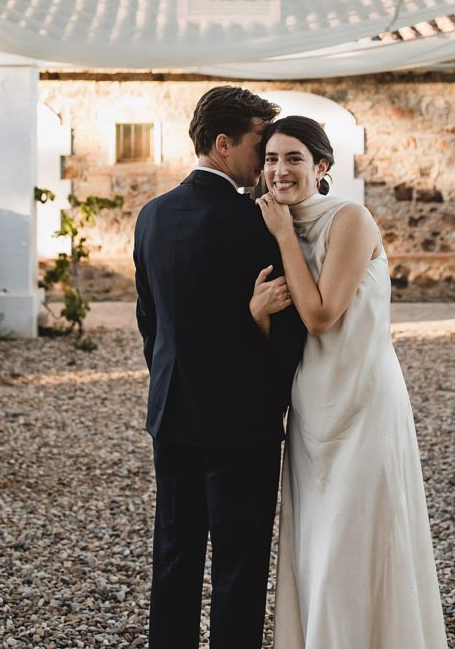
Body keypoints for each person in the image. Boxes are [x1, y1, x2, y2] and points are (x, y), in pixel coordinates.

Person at [256, 116, 448, 649]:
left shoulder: (350, 218)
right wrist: (256, 311)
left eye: (293, 158)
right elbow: (284, 330)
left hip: (363, 401)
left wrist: (281, 236)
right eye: (271, 159)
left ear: (322, 167)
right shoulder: (275, 224)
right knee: (318, 547)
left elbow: (321, 315)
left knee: (357, 537)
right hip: (311, 404)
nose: (279, 170)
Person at [133, 86, 307, 648]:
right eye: (261, 143)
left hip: (172, 411)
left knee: (174, 555)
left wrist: (168, 382)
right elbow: (288, 331)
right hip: (243, 422)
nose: (268, 158)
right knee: (239, 564)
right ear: (225, 144)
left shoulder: (151, 216)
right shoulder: (261, 222)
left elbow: (150, 324)